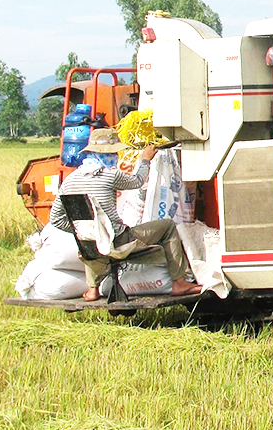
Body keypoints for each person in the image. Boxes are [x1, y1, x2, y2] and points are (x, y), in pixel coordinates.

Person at [47, 128, 203, 301]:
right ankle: (179, 282)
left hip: (89, 245)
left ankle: (92, 290)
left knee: (91, 240)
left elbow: (55, 218)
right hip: (120, 240)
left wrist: (87, 230)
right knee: (167, 226)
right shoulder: (108, 174)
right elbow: (138, 181)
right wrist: (145, 159)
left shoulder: (70, 180)